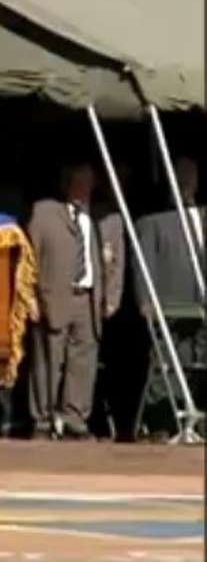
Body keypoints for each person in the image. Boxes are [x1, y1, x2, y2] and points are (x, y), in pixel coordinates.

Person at [27, 160, 120, 440]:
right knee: (47, 361)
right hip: (53, 297)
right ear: (67, 183)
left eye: (89, 181)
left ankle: (75, 418)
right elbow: (28, 257)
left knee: (83, 362)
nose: (84, 187)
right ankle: (42, 419)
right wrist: (29, 296)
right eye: (79, 181)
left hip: (88, 300)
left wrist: (111, 296)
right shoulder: (44, 213)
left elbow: (118, 258)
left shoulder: (105, 218)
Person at [134, 156, 205, 438]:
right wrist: (144, 299)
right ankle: (162, 422)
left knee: (199, 363)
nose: (187, 182)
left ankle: (197, 419)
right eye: (181, 176)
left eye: (192, 175)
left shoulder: (202, 217)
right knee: (167, 363)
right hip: (168, 304)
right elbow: (142, 264)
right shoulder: (152, 222)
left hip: (200, 304)